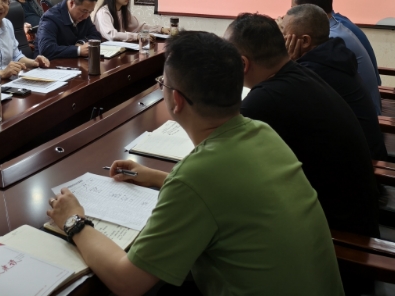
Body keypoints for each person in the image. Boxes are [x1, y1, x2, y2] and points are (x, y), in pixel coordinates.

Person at [47, 31, 343, 296]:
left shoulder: (197, 176)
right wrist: (156, 177)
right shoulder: (262, 132)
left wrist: (74, 221)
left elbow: (128, 283)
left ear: (176, 100)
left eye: (162, 84)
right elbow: (226, 194)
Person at [225, 13, 380, 239]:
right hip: (358, 213)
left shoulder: (264, 101)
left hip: (338, 237)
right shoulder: (302, 72)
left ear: (242, 64)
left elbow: (224, 170)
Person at [281, 4, 387, 160]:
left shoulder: (315, 70)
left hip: (361, 163)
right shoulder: (332, 54)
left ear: (305, 41)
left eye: (284, 34)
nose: (280, 40)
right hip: (361, 151)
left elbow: (278, 100)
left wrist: (286, 64)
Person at [292, 0, 382, 114]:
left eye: (293, 9)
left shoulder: (330, 38)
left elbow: (301, 82)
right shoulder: (337, 25)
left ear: (307, 11)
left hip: (363, 117)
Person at [36, 0, 102, 59]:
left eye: (90, 12)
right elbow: (46, 49)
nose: (86, 16)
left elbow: (96, 35)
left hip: (73, 61)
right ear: (71, 3)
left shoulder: (84, 14)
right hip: (49, 63)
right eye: (84, 11)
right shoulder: (50, 18)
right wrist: (78, 50)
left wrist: (81, 42)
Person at [94, 0, 168, 42]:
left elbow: (138, 28)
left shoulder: (123, 11)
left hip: (119, 48)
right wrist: (137, 36)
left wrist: (160, 29)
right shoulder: (103, 12)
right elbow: (112, 35)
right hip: (104, 49)